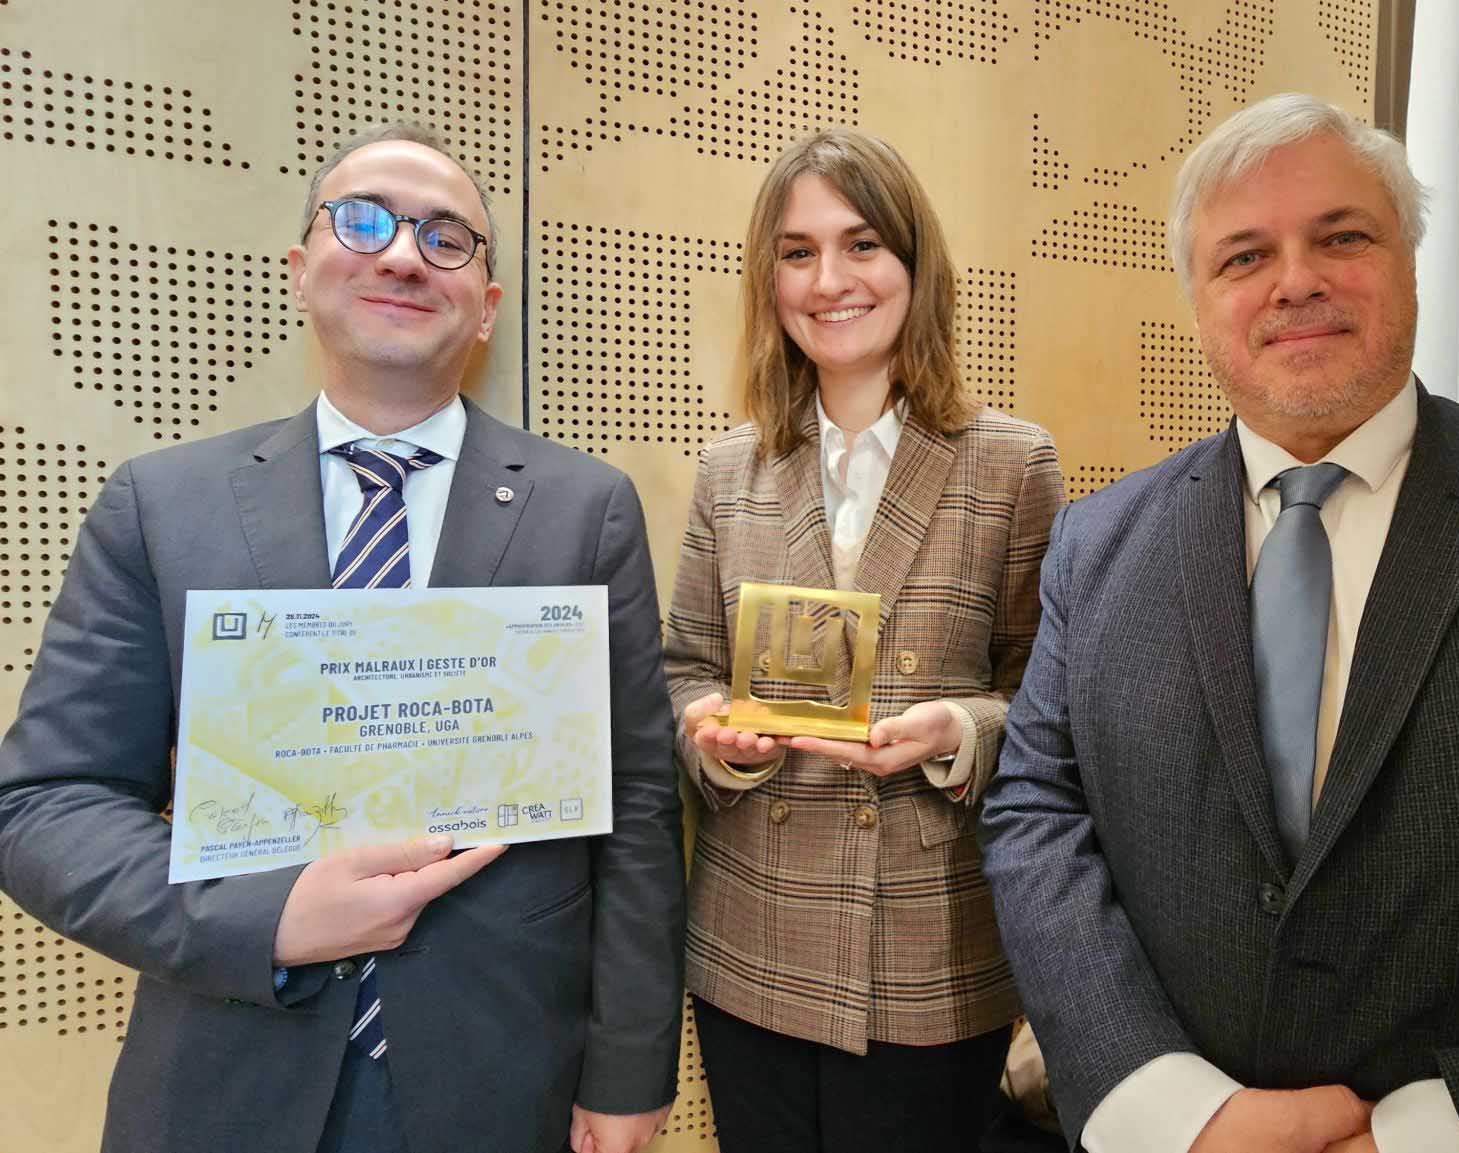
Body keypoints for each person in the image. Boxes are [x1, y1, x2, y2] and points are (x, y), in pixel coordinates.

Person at [979, 92, 1459, 1153]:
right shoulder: (1093, 545)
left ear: (1411, 262)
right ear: (1198, 301)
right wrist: (1167, 1110)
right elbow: (1034, 809)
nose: (1297, 280)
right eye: (1244, 256)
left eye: (1342, 236)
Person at [0, 123, 686, 1153]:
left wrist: (630, 1068)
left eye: (447, 238)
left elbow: (634, 805)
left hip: (504, 1077)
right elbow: (48, 804)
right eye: (363, 222)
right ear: (301, 269)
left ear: (487, 306)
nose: (404, 254)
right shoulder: (161, 504)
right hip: (228, 1072)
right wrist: (264, 920)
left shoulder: (587, 510)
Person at [661, 127, 1066, 1153]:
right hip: (753, 938)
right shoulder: (728, 469)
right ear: (769, 280)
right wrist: (709, 730)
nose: (829, 279)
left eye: (862, 244)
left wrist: (957, 731)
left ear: (915, 265)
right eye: (797, 252)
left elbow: (1052, 696)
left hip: (932, 953)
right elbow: (686, 668)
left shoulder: (1013, 465)